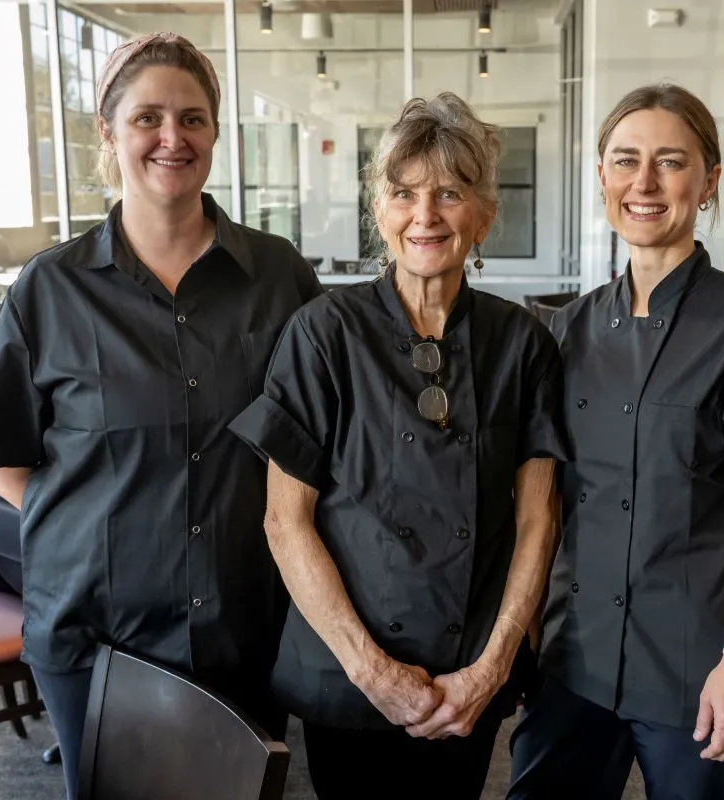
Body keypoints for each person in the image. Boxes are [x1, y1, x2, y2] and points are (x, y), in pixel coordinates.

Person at [0, 32, 321, 800]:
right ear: (109, 134)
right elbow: (3, 458)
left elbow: (319, 439)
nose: (172, 138)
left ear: (215, 133)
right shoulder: (50, 289)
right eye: (148, 117)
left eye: (193, 118)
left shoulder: (279, 276)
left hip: (243, 627)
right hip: (95, 635)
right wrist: (101, 523)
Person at [507, 84, 724, 800]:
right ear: (602, 176)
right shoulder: (566, 331)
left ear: (710, 180)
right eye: (625, 161)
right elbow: (545, 504)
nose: (644, 183)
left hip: (696, 667)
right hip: (574, 656)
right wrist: (523, 636)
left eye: (671, 162)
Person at [231, 92, 565, 800]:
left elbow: (539, 520)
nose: (426, 215)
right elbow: (283, 522)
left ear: (484, 213)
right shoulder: (324, 333)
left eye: (450, 192)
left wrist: (495, 663)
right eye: (404, 193)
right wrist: (373, 673)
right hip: (350, 669)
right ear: (378, 211)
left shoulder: (523, 343)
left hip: (467, 665)